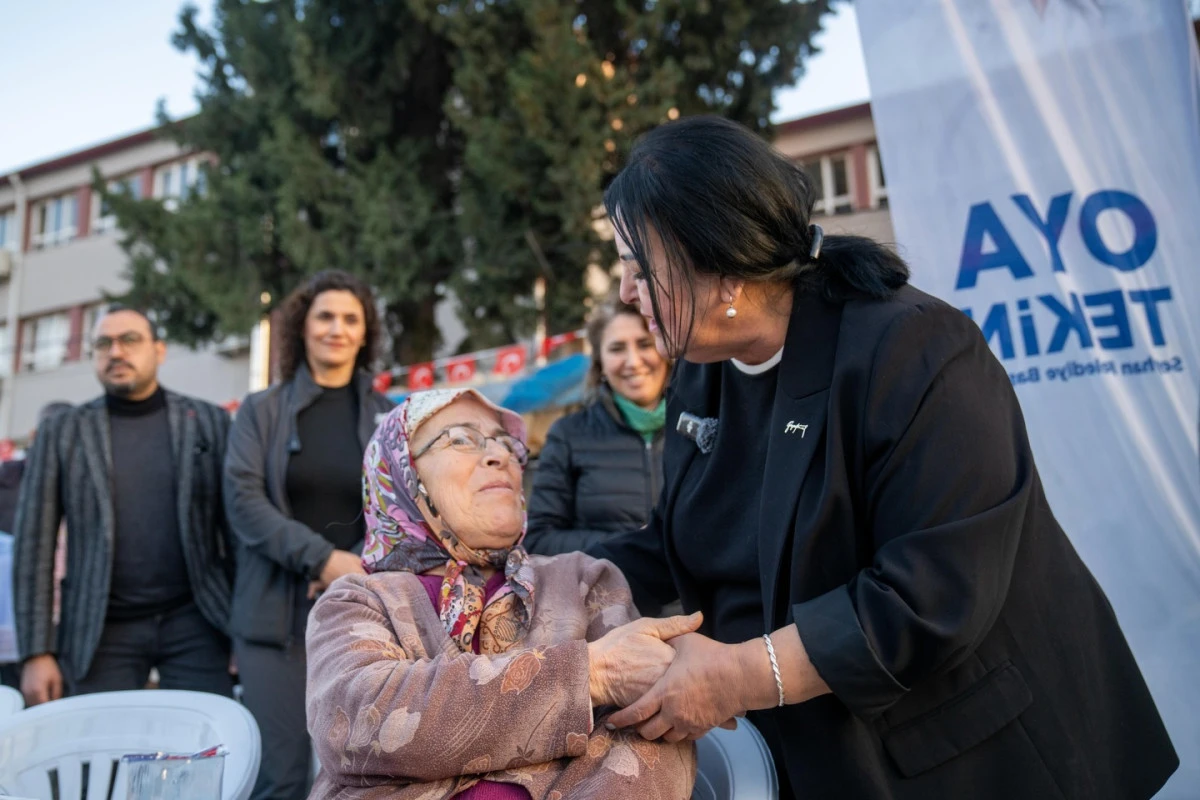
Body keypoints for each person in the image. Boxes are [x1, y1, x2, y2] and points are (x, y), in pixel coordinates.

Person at [587, 115, 1178, 799]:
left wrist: (736, 677)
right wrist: (555, 580)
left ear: (724, 274)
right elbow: (681, 536)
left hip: (966, 757)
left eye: (641, 269)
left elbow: (927, 596)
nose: (624, 293)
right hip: (803, 752)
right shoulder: (703, 368)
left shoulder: (915, 351)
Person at [306, 388, 697, 799]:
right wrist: (591, 674)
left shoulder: (584, 580)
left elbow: (652, 740)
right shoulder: (358, 601)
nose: (500, 456)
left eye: (506, 444)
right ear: (402, 474)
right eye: (461, 438)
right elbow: (358, 722)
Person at [224, 270, 394, 800]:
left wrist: (356, 567)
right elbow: (244, 502)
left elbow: (403, 510)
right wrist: (323, 560)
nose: (336, 329)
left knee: (361, 773)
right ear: (302, 327)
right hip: (274, 623)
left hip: (363, 614)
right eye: (325, 316)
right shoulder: (261, 411)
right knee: (281, 775)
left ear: (365, 333)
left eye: (350, 319)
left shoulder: (391, 415)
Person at [14, 305, 235, 706]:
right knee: (101, 743)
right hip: (100, 628)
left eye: (129, 340)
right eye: (103, 343)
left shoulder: (208, 422)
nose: (116, 352)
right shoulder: (63, 432)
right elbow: (34, 544)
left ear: (159, 350)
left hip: (197, 621)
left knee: (206, 738)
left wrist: (244, 629)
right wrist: (36, 651)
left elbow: (236, 534)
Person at [525, 297, 670, 558]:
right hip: (609, 584)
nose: (633, 361)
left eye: (645, 344)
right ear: (600, 362)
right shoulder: (568, 436)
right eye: (617, 349)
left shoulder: (702, 427)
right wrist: (630, 544)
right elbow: (539, 538)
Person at [0, 401, 71, 690]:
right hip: (11, 617)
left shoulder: (80, 485)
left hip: (63, 621)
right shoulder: (5, 479)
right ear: (34, 436)